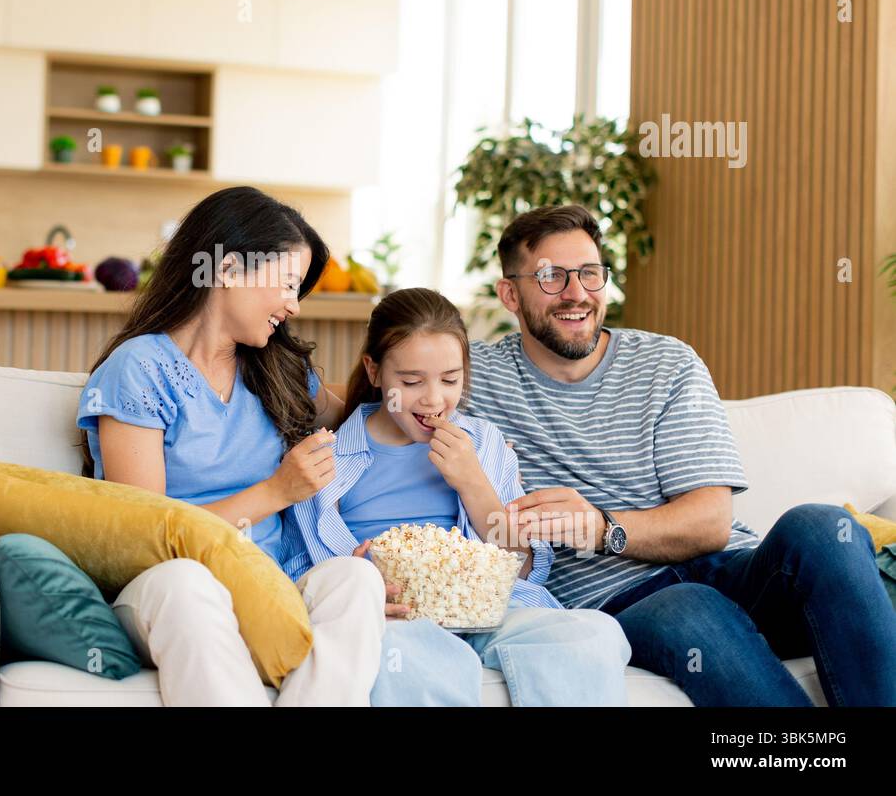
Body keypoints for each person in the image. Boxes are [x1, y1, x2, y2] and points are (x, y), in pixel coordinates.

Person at [466, 203, 896, 705]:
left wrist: (600, 529)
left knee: (823, 526)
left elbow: (710, 522)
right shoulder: (472, 374)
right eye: (551, 277)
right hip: (622, 603)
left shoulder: (665, 362)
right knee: (687, 606)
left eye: (589, 273)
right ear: (509, 294)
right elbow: (378, 382)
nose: (577, 293)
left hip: (733, 571)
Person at [76, 186, 387, 706]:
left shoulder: (279, 372)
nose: (292, 305)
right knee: (186, 584)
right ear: (227, 270)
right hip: (166, 587)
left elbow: (364, 420)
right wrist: (277, 490)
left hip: (271, 582)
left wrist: (425, 392)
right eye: (288, 284)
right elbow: (149, 535)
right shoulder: (140, 370)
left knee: (356, 579)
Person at [284, 287, 631, 706]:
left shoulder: (482, 442)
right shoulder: (326, 458)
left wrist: (473, 482)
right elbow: (297, 568)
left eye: (450, 379)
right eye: (411, 381)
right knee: (414, 658)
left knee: (593, 633)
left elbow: (522, 568)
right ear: (374, 372)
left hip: (490, 608)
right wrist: (353, 585)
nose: (434, 399)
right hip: (398, 617)